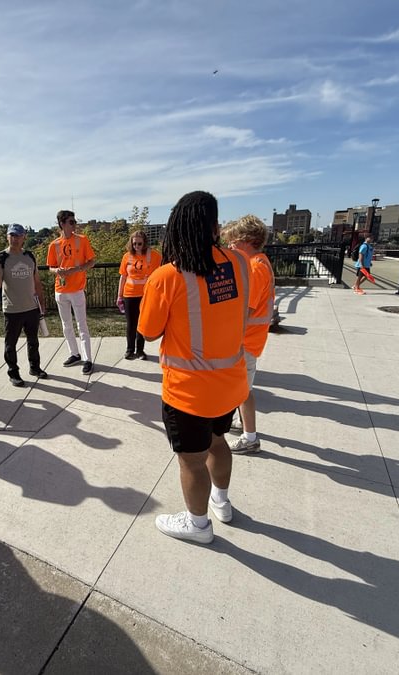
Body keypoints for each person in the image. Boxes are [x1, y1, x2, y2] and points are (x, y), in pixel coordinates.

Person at [138, 191, 250, 544]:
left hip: (188, 392)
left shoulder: (167, 276)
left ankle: (198, 524)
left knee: (191, 460)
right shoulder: (239, 263)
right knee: (218, 442)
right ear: (214, 227)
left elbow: (148, 331)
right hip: (230, 382)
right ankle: (221, 501)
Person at [221, 215, 275, 454]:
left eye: (234, 241)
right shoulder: (260, 262)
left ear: (248, 240)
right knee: (240, 388)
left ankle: (250, 437)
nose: (230, 246)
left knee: (243, 390)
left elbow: (245, 310)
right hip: (251, 337)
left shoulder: (254, 267)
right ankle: (241, 422)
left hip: (247, 339)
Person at [0, 223, 48, 387]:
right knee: (10, 343)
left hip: (31, 307)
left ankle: (35, 368)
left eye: (18, 236)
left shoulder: (29, 256)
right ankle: (13, 372)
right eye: (12, 235)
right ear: (7, 237)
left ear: (23, 238)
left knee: (33, 341)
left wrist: (41, 303)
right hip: (12, 309)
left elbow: (36, 282)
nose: (15, 239)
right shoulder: (0, 257)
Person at [47, 210, 96, 374]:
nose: (74, 225)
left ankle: (88, 359)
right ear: (62, 224)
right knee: (66, 325)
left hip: (77, 289)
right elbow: (51, 267)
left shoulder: (82, 240)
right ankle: (74, 354)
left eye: (75, 222)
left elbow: (92, 262)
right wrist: (58, 271)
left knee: (82, 325)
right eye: (71, 222)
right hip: (60, 289)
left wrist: (77, 269)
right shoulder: (54, 245)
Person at [116, 230, 162, 360]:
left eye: (140, 244)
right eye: (134, 243)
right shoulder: (127, 257)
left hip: (146, 295)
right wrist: (119, 296)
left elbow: (161, 274)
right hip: (129, 295)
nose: (137, 246)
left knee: (142, 323)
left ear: (145, 243)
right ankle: (130, 350)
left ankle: (140, 350)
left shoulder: (154, 256)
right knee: (131, 323)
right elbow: (123, 277)